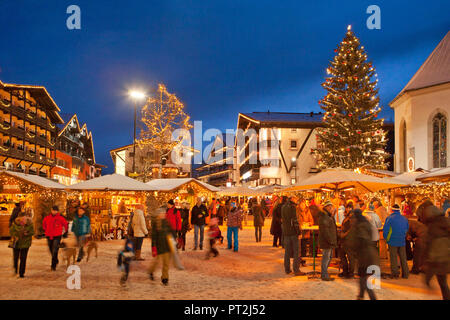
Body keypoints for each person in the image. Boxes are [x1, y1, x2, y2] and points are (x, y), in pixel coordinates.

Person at [350, 209, 380, 300]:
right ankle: (361, 295)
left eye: (353, 217)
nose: (352, 219)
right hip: (367, 254)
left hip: (365, 256)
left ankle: (371, 297)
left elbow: (363, 240)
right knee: (362, 276)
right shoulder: (365, 224)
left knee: (364, 278)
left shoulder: (360, 226)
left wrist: (355, 247)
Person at [423, 205, 449, 300]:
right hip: (445, 255)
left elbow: (428, 242)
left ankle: (428, 283)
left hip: (436, 256)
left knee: (439, 279)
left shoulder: (432, 226)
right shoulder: (446, 221)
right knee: (443, 281)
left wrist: (425, 257)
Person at [148, 207, 174, 286]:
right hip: (159, 246)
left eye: (164, 213)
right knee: (156, 262)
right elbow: (154, 237)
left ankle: (165, 278)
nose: (163, 214)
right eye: (162, 213)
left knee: (166, 263)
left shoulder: (166, 222)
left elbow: (171, 232)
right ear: (158, 215)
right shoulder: (156, 224)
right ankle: (151, 271)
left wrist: (174, 240)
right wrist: (153, 247)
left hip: (166, 246)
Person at [383, 204, 409, 279]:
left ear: (392, 210)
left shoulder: (389, 218)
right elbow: (407, 228)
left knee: (393, 257)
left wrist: (386, 239)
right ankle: (405, 274)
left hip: (392, 240)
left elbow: (386, 230)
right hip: (402, 240)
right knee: (403, 257)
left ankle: (395, 273)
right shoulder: (404, 218)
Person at [281, 196, 305, 276]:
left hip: (286, 233)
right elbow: (295, 221)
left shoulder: (283, 207)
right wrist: (299, 232)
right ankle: (296, 269)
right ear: (292, 199)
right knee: (296, 252)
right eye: (295, 199)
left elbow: (283, 220)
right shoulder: (293, 207)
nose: (296, 201)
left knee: (287, 252)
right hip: (294, 233)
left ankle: (287, 269)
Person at [9, 208, 34, 278]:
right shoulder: (15, 224)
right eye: (22, 219)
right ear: (19, 218)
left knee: (23, 258)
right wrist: (15, 235)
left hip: (25, 243)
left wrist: (28, 233)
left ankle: (21, 272)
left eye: (25, 219)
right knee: (16, 257)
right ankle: (15, 269)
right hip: (16, 243)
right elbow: (11, 231)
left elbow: (32, 232)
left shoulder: (30, 224)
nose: (23, 220)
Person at [42, 205, 68, 271]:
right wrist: (46, 230)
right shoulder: (47, 218)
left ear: (57, 211)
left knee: (55, 250)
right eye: (53, 210)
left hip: (57, 236)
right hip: (49, 235)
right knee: (51, 249)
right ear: (51, 210)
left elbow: (65, 224)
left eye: (55, 210)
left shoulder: (60, 218)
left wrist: (64, 232)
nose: (54, 212)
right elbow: (44, 225)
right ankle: (56, 259)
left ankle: (53, 265)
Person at [319, 201, 338, 281]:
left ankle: (324, 273)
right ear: (327, 207)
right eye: (330, 207)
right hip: (326, 241)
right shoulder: (324, 216)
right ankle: (324, 275)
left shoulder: (328, 216)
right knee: (326, 257)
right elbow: (325, 231)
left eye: (332, 208)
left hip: (329, 240)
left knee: (328, 257)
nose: (332, 209)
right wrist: (331, 240)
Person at [338, 202, 356, 278]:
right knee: (342, 255)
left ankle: (350, 273)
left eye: (349, 208)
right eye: (347, 207)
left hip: (349, 240)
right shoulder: (348, 216)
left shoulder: (353, 218)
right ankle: (345, 271)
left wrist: (343, 234)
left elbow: (352, 230)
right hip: (345, 240)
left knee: (350, 257)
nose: (348, 209)